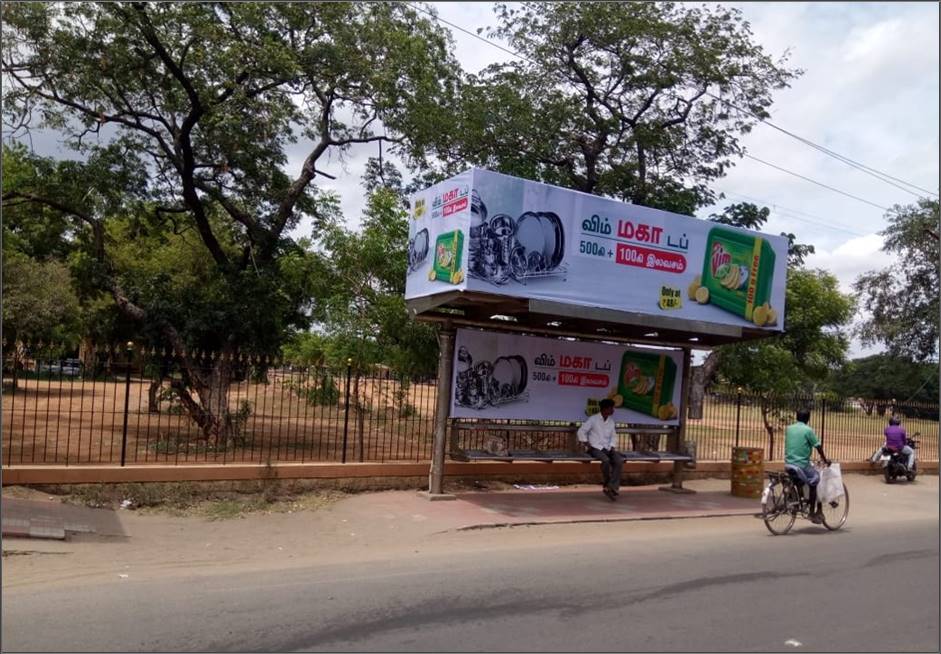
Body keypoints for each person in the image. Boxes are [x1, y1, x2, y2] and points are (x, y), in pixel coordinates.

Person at [784, 409, 831, 523]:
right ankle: (811, 512)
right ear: (808, 419)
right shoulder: (808, 430)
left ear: (797, 417)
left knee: (799, 480)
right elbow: (818, 446)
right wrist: (825, 460)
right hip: (801, 464)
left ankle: (800, 499)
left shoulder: (789, 429)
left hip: (788, 463)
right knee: (815, 479)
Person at [577, 398, 624, 501]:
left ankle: (612, 487)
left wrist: (612, 446)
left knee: (619, 461)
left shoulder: (611, 421)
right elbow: (581, 431)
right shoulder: (593, 419)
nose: (613, 410)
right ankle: (607, 484)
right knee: (606, 460)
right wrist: (587, 444)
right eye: (611, 408)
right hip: (595, 448)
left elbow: (613, 436)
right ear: (605, 409)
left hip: (608, 448)